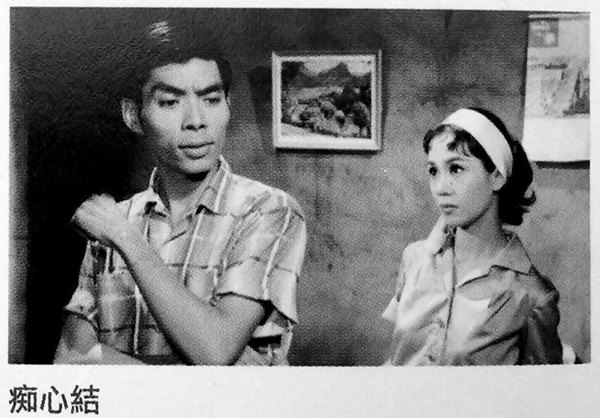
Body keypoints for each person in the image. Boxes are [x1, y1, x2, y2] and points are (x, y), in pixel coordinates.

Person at [54, 18, 306, 365]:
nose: (196, 121)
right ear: (133, 116)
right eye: (170, 102)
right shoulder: (115, 220)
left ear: (228, 104)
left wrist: (127, 240)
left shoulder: (268, 209)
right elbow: (70, 360)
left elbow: (215, 349)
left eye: (211, 99)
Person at [382, 107, 563, 366]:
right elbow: (395, 360)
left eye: (456, 169)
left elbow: (540, 389)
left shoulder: (532, 295)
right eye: (433, 171)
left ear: (497, 177)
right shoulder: (414, 258)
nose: (440, 188)